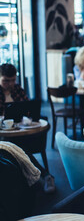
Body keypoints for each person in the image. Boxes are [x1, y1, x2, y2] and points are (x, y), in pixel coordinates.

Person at [0, 63, 55, 193]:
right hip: (4, 135)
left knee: (18, 144)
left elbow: (28, 109)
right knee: (17, 146)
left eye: (13, 80)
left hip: (21, 131)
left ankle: (35, 177)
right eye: (6, 81)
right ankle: (45, 175)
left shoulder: (18, 89)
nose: (10, 84)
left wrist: (27, 116)